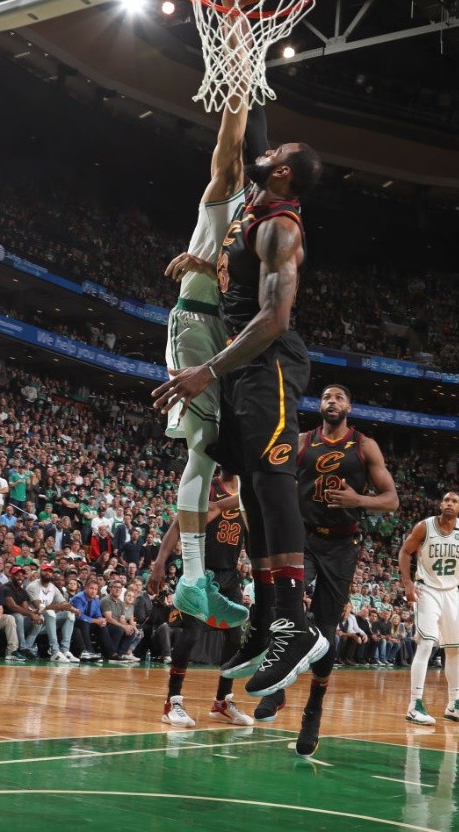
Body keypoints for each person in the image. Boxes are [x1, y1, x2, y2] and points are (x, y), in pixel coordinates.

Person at [153, 126, 326, 700]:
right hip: (243, 368)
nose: (264, 153)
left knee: (273, 487)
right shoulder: (255, 210)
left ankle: (296, 626)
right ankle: (271, 619)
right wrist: (204, 259)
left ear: (283, 173)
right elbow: (238, 138)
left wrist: (209, 370)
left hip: (267, 360)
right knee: (251, 490)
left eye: (274, 153)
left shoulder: (282, 226)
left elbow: (273, 318)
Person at [158, 31, 268, 633]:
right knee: (201, 447)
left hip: (225, 341)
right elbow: (231, 133)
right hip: (196, 322)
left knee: (213, 453)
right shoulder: (224, 194)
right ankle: (193, 575)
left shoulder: (262, 222)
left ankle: (197, 579)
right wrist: (241, 65)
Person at [252, 384, 398, 755]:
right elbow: (276, 481)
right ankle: (278, 687)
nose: (331, 402)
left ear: (349, 406)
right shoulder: (302, 441)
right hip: (302, 537)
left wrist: (358, 500)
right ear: (319, 406)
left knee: (327, 625)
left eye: (339, 398)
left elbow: (391, 500)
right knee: (286, 608)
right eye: (326, 398)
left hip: (341, 544)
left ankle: (313, 709)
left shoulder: (365, 445)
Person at [149, 469, 253, 727]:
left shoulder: (246, 490)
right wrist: (160, 563)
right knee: (192, 634)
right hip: (200, 571)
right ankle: (172, 701)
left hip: (230, 575)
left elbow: (250, 538)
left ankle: (222, 702)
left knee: (234, 636)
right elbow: (177, 525)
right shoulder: (206, 486)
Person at [399, 491, 459, 726]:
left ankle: (454, 704)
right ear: (440, 504)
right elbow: (405, 552)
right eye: (446, 500)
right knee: (427, 642)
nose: (449, 503)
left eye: (454, 501)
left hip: (451, 593)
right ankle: (414, 704)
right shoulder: (424, 527)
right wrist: (407, 583)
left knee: (454, 649)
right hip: (426, 589)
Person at [25, 563, 81, 662]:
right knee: (50, 612)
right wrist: (58, 606)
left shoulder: (53, 587)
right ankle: (55, 651)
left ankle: (65, 650)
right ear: (40, 572)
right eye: (45, 570)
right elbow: (40, 608)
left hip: (46, 622)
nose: (48, 573)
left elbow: (64, 602)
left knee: (70, 614)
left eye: (50, 571)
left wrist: (73, 609)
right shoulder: (33, 586)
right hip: (31, 620)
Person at [2, 565, 44, 658]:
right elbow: (13, 607)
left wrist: (36, 612)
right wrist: (31, 614)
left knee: (40, 619)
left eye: (22, 575)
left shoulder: (23, 591)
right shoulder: (6, 588)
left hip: (18, 621)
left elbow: (25, 609)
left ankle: (27, 647)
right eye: (17, 575)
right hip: (6, 618)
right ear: (11, 576)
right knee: (18, 616)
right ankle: (22, 647)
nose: (20, 577)